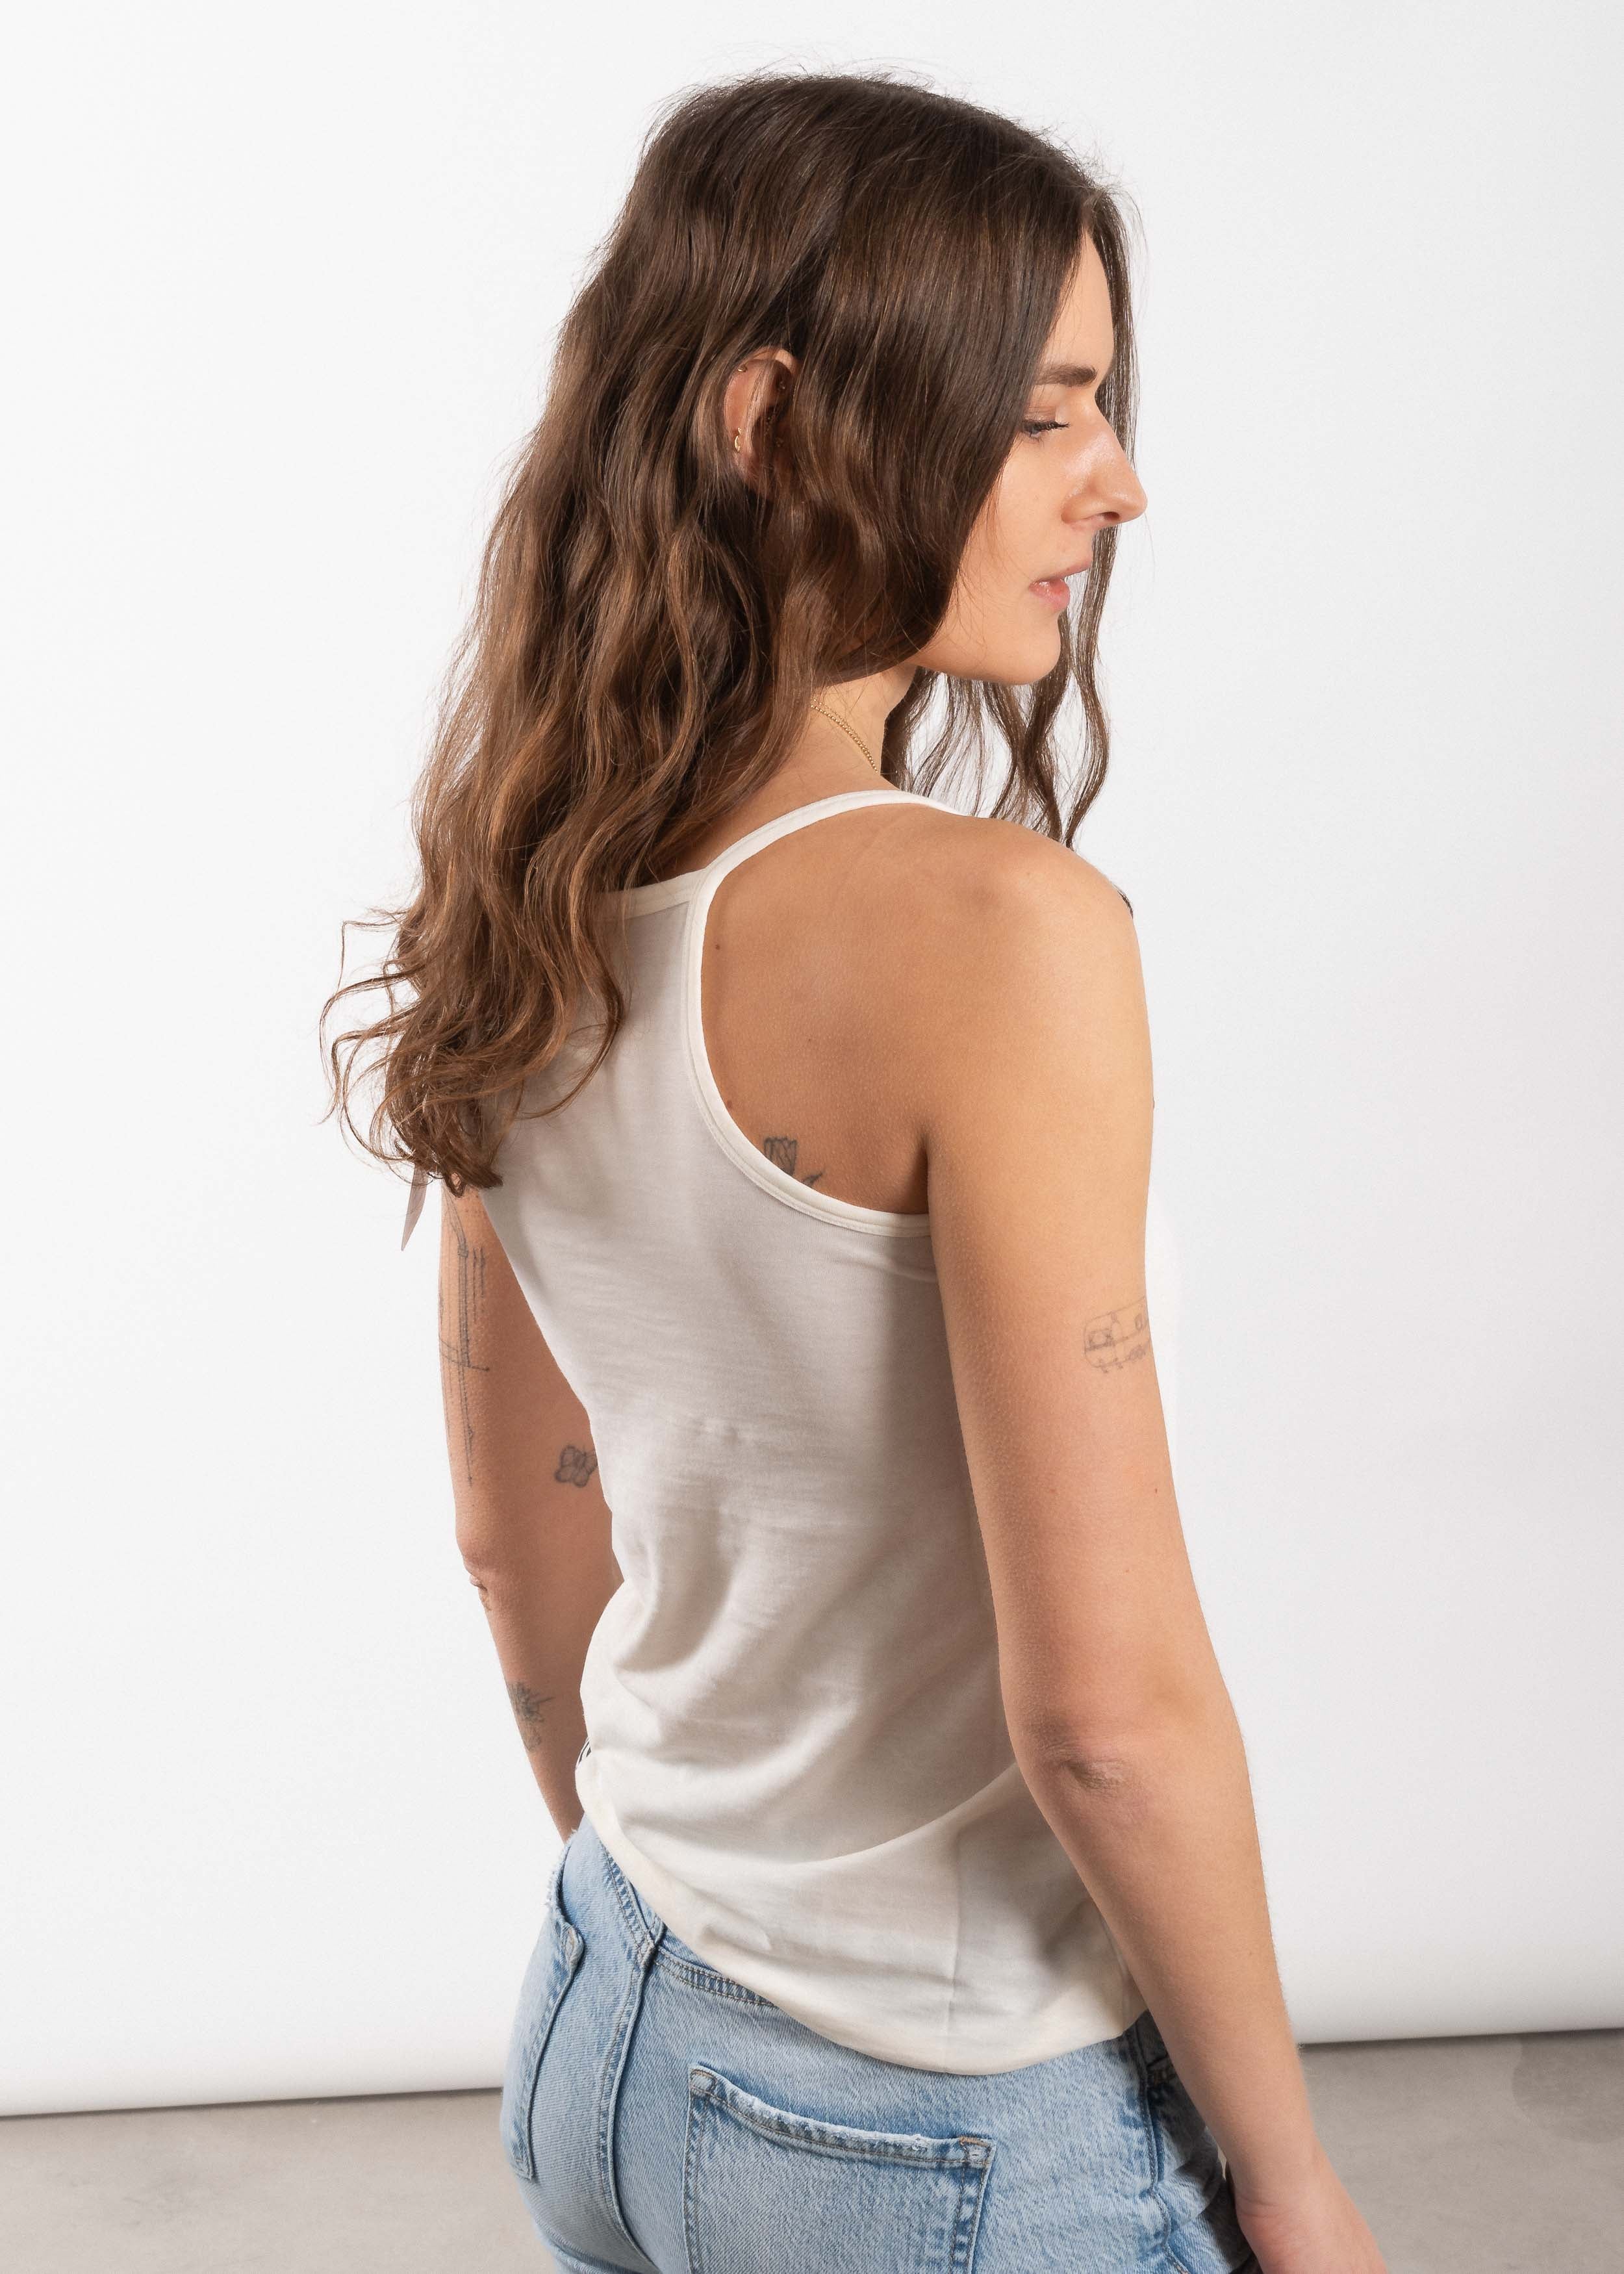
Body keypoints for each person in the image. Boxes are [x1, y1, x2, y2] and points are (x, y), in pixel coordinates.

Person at [323, 66, 1386, 2274]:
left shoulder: (534, 886)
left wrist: (698, 1940)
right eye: (1044, 412)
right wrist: (1292, 2186)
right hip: (943, 2121)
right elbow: (1101, 1714)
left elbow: (517, 1538)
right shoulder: (998, 936)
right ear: (776, 422)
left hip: (607, 2016)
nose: (1118, 480)